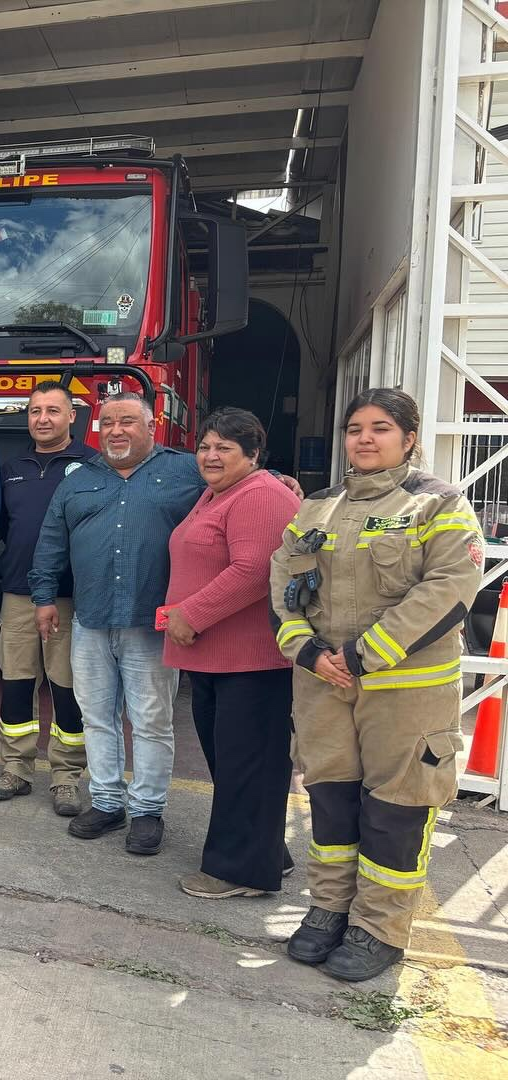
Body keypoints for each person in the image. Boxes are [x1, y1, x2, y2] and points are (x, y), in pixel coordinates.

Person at [270, 388, 481, 982]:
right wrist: (309, 651)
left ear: (409, 438)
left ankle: (380, 928)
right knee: (331, 799)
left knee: (396, 809)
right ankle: (330, 908)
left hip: (406, 689)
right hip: (324, 684)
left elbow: (449, 590)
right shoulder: (315, 507)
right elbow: (282, 582)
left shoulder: (439, 504)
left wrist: (362, 656)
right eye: (355, 428)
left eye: (381, 428)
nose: (364, 439)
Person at [29, 392, 202, 855]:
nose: (116, 431)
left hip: (152, 623)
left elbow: (235, 486)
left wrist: (277, 480)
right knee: (97, 718)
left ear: (151, 425)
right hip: (90, 619)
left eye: (127, 421)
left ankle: (147, 811)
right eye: (107, 423)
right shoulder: (79, 480)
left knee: (151, 721)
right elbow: (51, 541)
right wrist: (44, 597)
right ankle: (107, 802)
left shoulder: (186, 470)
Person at [163, 408, 299, 900]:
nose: (210, 455)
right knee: (236, 764)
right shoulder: (218, 492)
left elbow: (255, 570)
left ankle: (238, 871)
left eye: (224, 447)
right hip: (218, 659)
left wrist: (192, 613)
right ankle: (265, 853)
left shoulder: (260, 494)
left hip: (252, 661)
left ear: (253, 454)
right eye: (204, 446)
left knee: (248, 765)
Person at [0, 381, 93, 814]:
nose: (42, 419)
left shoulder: (93, 466)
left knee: (67, 688)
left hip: (69, 597)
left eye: (52, 410)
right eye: (35, 411)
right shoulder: (11, 468)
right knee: (16, 684)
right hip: (17, 593)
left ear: (72, 417)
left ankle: (66, 776)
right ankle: (16, 767)